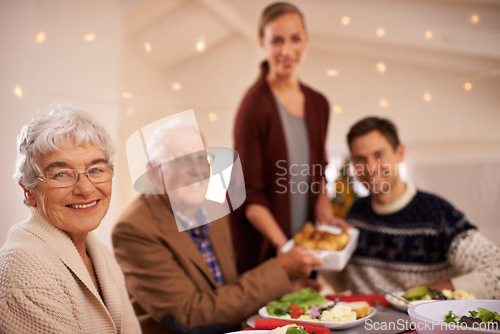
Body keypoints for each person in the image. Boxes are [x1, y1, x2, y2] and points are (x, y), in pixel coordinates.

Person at [112, 120, 324, 334]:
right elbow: (191, 315)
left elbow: (230, 291)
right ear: (154, 173)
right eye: (182, 160)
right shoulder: (133, 229)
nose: (196, 170)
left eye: (202, 158)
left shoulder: (214, 210)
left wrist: (285, 288)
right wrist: (281, 270)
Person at [0, 103, 141, 333]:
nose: (85, 189)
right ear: (28, 190)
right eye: (61, 174)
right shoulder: (24, 271)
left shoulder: (100, 253)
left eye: (96, 169)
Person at [231, 1, 343, 274]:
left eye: (295, 39)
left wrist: (326, 217)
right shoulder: (253, 107)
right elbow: (249, 196)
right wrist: (287, 249)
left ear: (306, 39)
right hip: (268, 252)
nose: (286, 50)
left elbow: (317, 177)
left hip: (306, 248)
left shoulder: (319, 104)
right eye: (276, 40)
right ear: (262, 42)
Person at [343, 116, 500, 299]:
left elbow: (495, 273)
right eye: (360, 159)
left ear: (400, 153)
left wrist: (424, 294)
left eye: (379, 155)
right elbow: (340, 279)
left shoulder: (438, 215)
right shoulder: (355, 214)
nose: (370, 168)